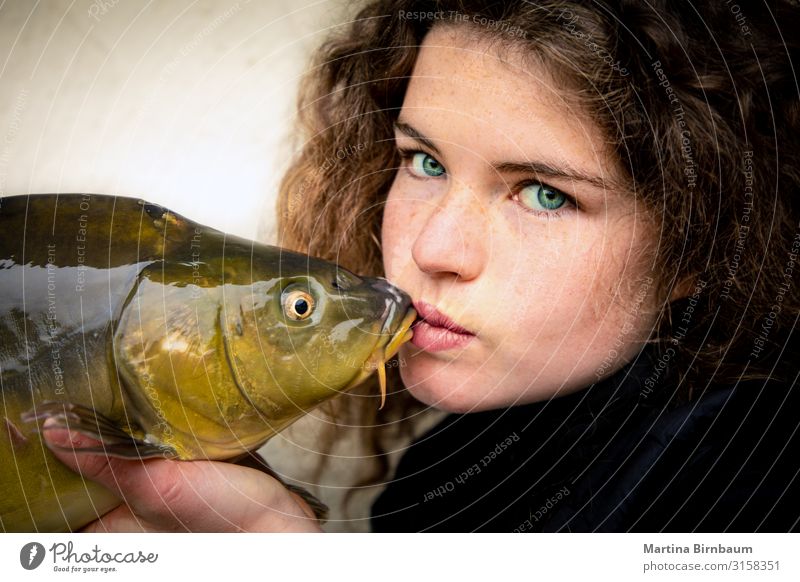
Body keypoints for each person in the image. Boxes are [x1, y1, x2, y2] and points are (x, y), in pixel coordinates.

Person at [46, 0, 800, 532]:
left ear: (699, 250)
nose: (433, 250)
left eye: (544, 194)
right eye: (424, 161)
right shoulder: (467, 456)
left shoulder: (746, 485)